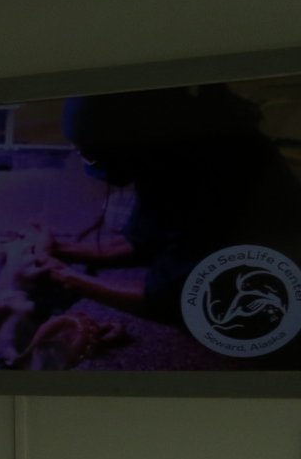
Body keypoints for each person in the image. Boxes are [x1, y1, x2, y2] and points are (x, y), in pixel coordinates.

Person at [43, 84, 301, 328]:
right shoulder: (164, 154)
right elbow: (144, 241)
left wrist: (65, 276)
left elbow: (169, 299)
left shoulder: (222, 172)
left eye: (91, 152)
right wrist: (63, 250)